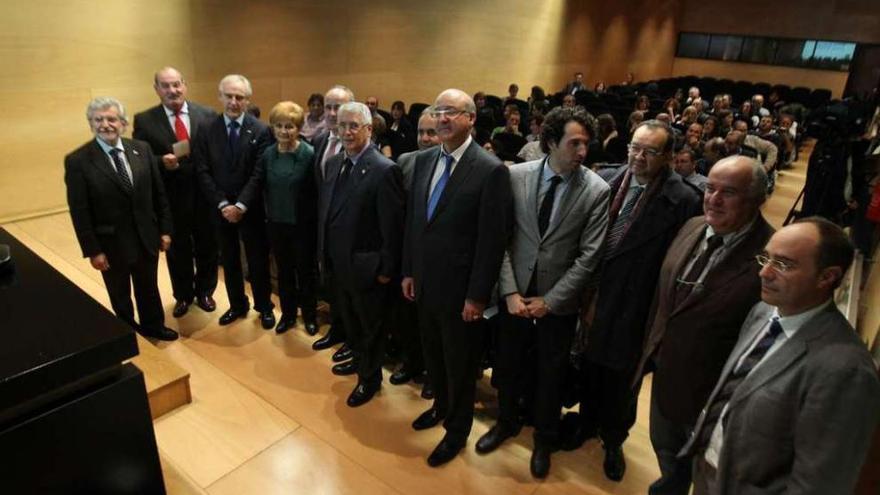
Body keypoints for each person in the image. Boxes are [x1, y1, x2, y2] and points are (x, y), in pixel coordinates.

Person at [683, 217, 880, 495]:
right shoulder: (763, 312)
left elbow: (819, 485)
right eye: (765, 258)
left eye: (784, 264)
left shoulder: (847, 371)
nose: (764, 273)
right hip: (709, 472)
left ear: (827, 277)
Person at [563, 120, 702, 481]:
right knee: (588, 365)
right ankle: (586, 422)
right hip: (593, 292)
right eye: (634, 148)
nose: (639, 157)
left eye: (650, 151)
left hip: (636, 301)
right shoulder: (606, 179)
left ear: (668, 156)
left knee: (623, 377)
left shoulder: (683, 200)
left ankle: (613, 438)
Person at [476, 106, 610, 478]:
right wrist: (510, 293)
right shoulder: (515, 176)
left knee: (551, 374)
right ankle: (505, 423)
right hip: (514, 294)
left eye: (587, 143)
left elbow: (589, 257)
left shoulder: (598, 190)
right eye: (575, 143)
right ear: (551, 142)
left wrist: (551, 302)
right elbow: (501, 241)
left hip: (557, 303)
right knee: (507, 363)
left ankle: (544, 439)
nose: (583, 151)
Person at [635, 156, 774, 494]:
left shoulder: (770, 256)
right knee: (667, 454)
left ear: (756, 199)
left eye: (729, 192)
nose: (713, 199)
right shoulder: (693, 225)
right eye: (710, 188)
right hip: (667, 375)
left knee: (709, 476)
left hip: (716, 394)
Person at [401, 88, 512, 467]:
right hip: (425, 283)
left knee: (461, 366)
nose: (443, 118)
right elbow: (416, 224)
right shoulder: (423, 160)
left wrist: (477, 297)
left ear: (471, 119)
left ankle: (457, 430)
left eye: (453, 112)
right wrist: (409, 270)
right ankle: (441, 408)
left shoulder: (490, 169)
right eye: (439, 111)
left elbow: (492, 241)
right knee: (434, 357)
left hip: (462, 294)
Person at [65, 97, 176, 341]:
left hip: (145, 236)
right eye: (98, 120)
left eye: (111, 119)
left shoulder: (142, 149)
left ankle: (154, 327)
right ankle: (128, 333)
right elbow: (79, 211)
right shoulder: (78, 161)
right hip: (111, 244)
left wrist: (165, 229)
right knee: (120, 293)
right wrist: (93, 250)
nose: (105, 124)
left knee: (148, 287)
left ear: (123, 123)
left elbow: (159, 194)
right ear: (91, 124)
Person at [323, 102, 405, 407]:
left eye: (354, 125)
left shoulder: (385, 170)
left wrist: (385, 269)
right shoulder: (334, 163)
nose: (346, 131)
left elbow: (392, 229)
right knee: (352, 324)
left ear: (369, 129)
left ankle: (369, 380)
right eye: (342, 125)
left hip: (369, 269)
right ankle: (358, 361)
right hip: (340, 264)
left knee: (371, 330)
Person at [133, 66, 218, 318]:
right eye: (166, 85)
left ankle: (205, 291)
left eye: (176, 84)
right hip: (171, 197)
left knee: (207, 245)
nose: (173, 90)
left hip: (204, 195)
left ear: (185, 85)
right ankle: (183, 295)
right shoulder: (145, 120)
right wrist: (161, 162)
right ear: (157, 89)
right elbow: (140, 157)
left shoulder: (208, 114)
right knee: (177, 248)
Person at [194, 74, 274, 329]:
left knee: (257, 261)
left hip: (250, 209)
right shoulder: (206, 129)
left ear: (247, 100)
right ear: (220, 97)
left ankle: (264, 307)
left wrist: (240, 205)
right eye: (229, 96)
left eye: (239, 97)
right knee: (229, 261)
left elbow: (259, 172)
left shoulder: (261, 130)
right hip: (220, 210)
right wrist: (222, 204)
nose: (233, 101)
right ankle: (237, 305)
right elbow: (202, 170)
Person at [391, 108, 440, 397]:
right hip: (409, 254)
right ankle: (411, 363)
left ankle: (434, 375)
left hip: (437, 260)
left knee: (432, 326)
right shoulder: (405, 161)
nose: (424, 138)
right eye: (421, 132)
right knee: (407, 318)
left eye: (431, 132)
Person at [261, 101, 318, 335]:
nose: (284, 131)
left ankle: (310, 316)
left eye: (290, 126)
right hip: (276, 223)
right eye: (279, 126)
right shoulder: (268, 154)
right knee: (283, 272)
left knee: (305, 272)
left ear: (298, 128)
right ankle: (287, 314)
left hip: (302, 225)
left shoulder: (309, 153)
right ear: (273, 128)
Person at [312, 85, 355, 357]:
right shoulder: (319, 140)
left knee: (352, 294)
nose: (330, 113)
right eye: (328, 106)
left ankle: (353, 340)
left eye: (337, 107)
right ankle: (337, 330)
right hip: (326, 231)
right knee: (334, 288)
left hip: (351, 236)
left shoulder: (362, 146)